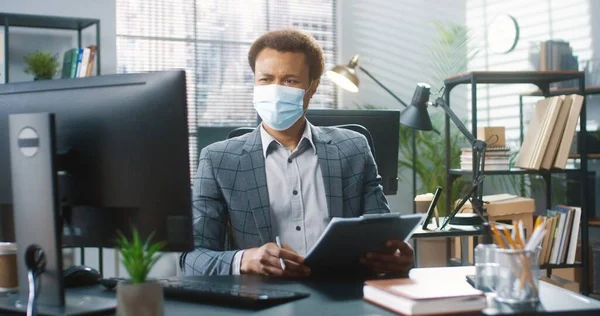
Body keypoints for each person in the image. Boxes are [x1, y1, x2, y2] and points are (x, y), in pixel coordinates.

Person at [181, 28, 413, 278]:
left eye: (290, 80)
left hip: (342, 294)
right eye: (266, 79)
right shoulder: (217, 160)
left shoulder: (353, 150)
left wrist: (397, 255)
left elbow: (382, 238)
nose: (276, 89)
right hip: (264, 300)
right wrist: (243, 259)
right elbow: (192, 258)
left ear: (312, 87)